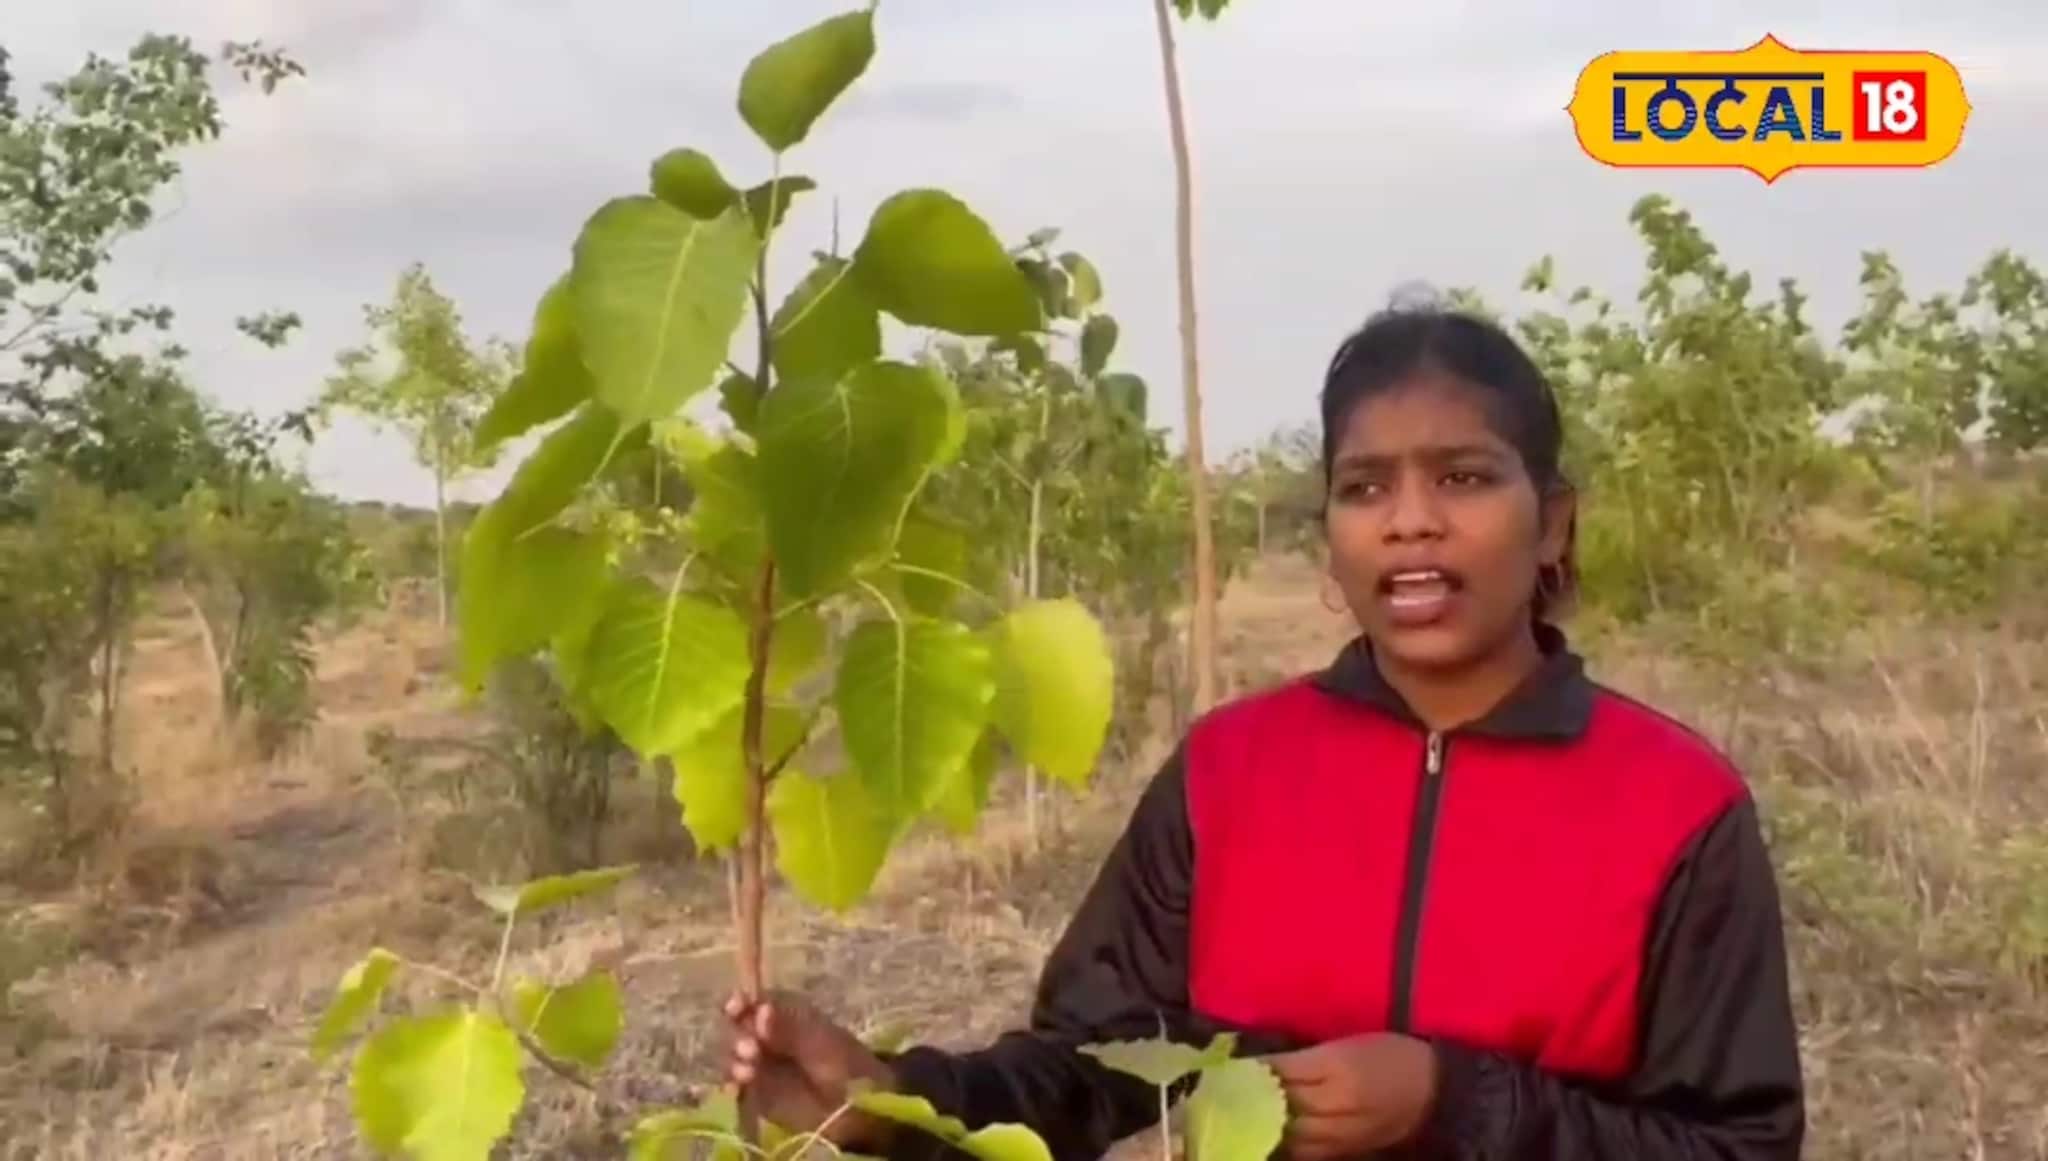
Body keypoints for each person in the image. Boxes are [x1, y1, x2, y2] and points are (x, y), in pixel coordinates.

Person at [722, 301, 1806, 1160]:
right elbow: (1092, 1068)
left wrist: (1457, 1102)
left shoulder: (1674, 805)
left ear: (1553, 522)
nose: (1411, 519)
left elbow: (1740, 1145)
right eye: (1365, 486)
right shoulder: (1231, 772)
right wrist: (896, 1104)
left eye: (1463, 477)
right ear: (1330, 536)